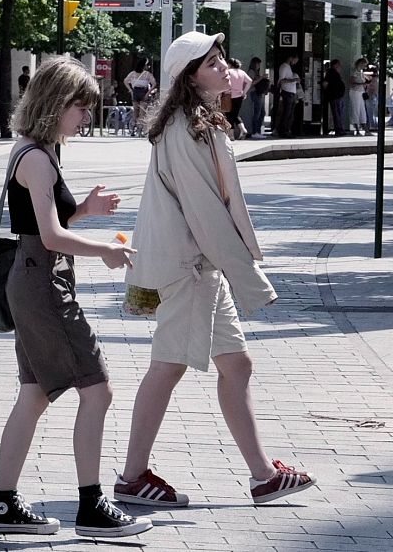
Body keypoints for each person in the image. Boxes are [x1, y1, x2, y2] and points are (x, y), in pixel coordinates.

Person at [118, 32, 314, 508]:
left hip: (199, 263)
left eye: (221, 58)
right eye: (210, 62)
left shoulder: (196, 122)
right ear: (189, 77)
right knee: (168, 365)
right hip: (189, 263)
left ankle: (264, 474)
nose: (223, 66)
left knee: (236, 363)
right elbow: (207, 212)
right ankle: (131, 476)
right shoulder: (188, 129)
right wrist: (249, 277)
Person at [0, 57, 149, 538]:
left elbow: (42, 226)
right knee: (97, 387)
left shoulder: (33, 151)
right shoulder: (36, 158)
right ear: (57, 103)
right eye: (81, 107)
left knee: (34, 393)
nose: (86, 116)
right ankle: (92, 505)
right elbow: (50, 237)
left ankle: (2, 504)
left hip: (32, 281)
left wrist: (87, 210)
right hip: (43, 285)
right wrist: (106, 251)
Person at [275, 53, 302, 138]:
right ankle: (283, 131)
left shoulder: (288, 67)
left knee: (290, 113)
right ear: (291, 58)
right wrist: (294, 80)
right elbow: (281, 81)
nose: (295, 63)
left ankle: (287, 130)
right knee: (286, 113)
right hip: (287, 92)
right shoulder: (284, 67)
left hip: (291, 92)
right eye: (294, 60)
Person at [225, 58, 251, 140]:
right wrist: (244, 92)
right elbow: (249, 81)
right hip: (239, 96)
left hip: (229, 95)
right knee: (235, 114)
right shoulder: (242, 72)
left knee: (229, 115)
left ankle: (231, 135)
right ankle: (243, 129)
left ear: (230, 64)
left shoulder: (229, 72)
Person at [244, 56, 269, 137]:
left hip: (258, 93)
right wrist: (261, 77)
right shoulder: (251, 71)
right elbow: (251, 82)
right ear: (254, 64)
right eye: (258, 64)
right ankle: (255, 132)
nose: (258, 66)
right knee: (257, 113)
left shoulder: (256, 72)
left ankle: (257, 131)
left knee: (262, 112)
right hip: (254, 92)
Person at [322, 60, 346, 136]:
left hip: (338, 95)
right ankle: (339, 129)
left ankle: (340, 128)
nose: (340, 67)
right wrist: (328, 92)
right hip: (335, 96)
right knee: (337, 113)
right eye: (339, 65)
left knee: (339, 113)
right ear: (335, 65)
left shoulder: (335, 73)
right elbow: (325, 83)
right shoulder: (331, 72)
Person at [349, 57, 370, 135]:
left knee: (362, 110)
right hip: (355, 92)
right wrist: (362, 84)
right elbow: (351, 82)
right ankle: (357, 129)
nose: (365, 66)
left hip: (361, 92)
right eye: (364, 65)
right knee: (356, 110)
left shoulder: (361, 72)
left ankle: (365, 129)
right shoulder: (355, 72)